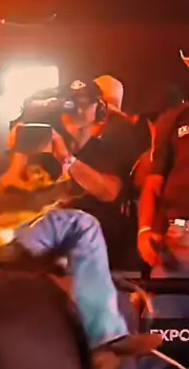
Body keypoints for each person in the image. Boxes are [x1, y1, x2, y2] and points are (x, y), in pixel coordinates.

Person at [0, 123, 162, 369]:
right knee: (83, 225)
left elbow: (104, 191)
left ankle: (99, 346)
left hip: (5, 246)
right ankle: (107, 337)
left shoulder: (49, 174)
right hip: (0, 241)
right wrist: (21, 156)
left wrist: (64, 159)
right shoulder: (4, 172)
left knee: (72, 241)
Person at [48, 79, 141, 271]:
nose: (78, 110)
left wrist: (68, 160)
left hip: (100, 250)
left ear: (99, 109)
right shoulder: (47, 143)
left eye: (85, 104)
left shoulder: (108, 148)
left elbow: (110, 191)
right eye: (71, 103)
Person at [138, 51, 189, 277]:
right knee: (162, 298)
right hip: (179, 240)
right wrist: (145, 230)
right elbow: (154, 184)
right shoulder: (173, 119)